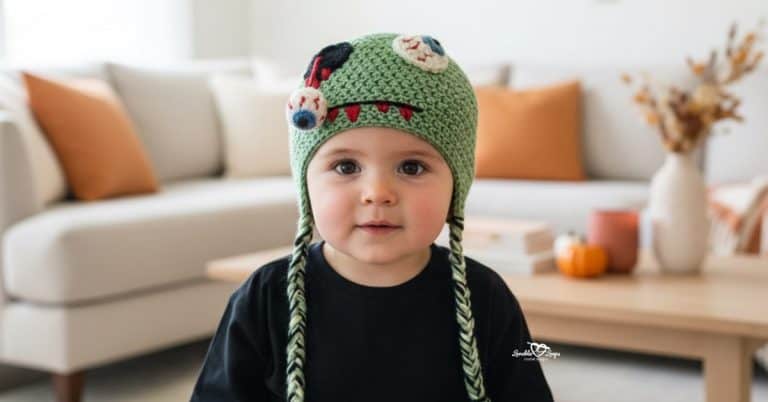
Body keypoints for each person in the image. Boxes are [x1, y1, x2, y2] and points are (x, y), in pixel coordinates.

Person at [190, 32, 555, 402]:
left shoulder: (484, 298)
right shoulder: (265, 300)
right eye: (346, 165)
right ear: (306, 183)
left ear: (456, 186)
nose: (377, 192)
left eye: (411, 167)